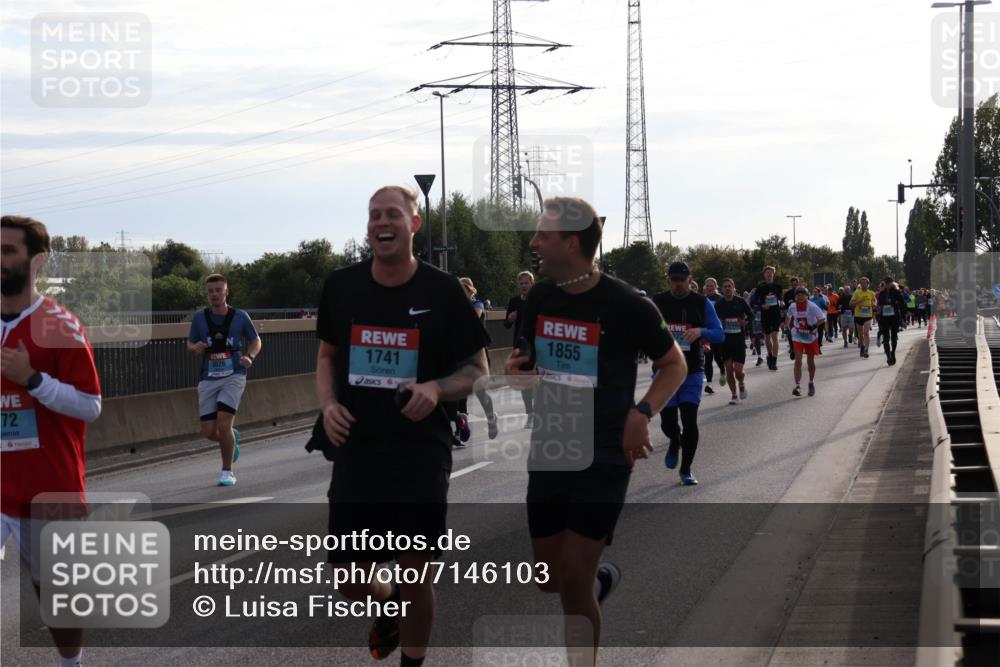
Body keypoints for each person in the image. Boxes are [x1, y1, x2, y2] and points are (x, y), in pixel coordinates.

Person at [504, 197, 686, 667]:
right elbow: (526, 361)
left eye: (543, 234)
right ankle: (597, 583)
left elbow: (674, 364)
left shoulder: (628, 304)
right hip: (550, 445)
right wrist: (517, 372)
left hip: (604, 452)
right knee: (549, 578)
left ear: (570, 241)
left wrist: (641, 412)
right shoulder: (540, 297)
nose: (534, 242)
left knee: (573, 579)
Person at [315, 186, 489, 665]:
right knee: (350, 578)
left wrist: (435, 388)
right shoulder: (341, 286)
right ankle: (389, 609)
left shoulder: (443, 291)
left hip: (420, 449)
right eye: (373, 215)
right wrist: (328, 404)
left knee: (416, 575)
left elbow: (478, 371)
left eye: (392, 213)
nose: (381, 222)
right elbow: (327, 357)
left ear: (414, 224)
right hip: (357, 445)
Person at [1, 215, 102, 667]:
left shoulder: (61, 326)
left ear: (37, 261)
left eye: (8, 251)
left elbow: (90, 405)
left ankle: (71, 662)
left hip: (49, 487)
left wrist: (32, 379)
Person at [652, 261, 724, 485]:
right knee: (668, 424)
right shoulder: (658, 302)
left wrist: (700, 331)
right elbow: (642, 331)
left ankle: (686, 469)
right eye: (674, 280)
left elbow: (719, 334)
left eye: (682, 280)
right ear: (668, 281)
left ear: (690, 280)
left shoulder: (702, 303)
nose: (678, 285)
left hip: (691, 370)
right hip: (664, 372)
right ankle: (675, 441)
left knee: (690, 421)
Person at [187, 273, 261, 487]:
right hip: (208, 377)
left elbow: (256, 340)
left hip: (234, 374)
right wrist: (196, 347)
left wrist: (250, 356)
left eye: (219, 290)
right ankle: (231, 438)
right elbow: (190, 345)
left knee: (224, 421)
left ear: (226, 291)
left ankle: (227, 471)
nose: (215, 294)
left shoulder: (240, 316)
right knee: (209, 431)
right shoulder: (200, 318)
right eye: (211, 291)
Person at [455, 277, 499, 441]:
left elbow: (473, 319)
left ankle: (491, 419)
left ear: (470, 290)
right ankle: (461, 428)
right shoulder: (455, 308)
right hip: (459, 353)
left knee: (479, 391)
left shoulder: (477, 304)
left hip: (476, 354)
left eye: (463, 290)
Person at [714, 278, 754, 404]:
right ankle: (734, 395)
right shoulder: (719, 304)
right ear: (722, 289)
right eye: (725, 286)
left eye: (729, 286)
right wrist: (719, 322)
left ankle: (741, 383)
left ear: (733, 288)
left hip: (738, 340)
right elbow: (713, 320)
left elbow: (751, 315)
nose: (727, 288)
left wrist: (745, 322)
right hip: (725, 341)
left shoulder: (740, 301)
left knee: (738, 371)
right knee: (729, 370)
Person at [505, 270, 536, 421]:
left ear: (532, 283)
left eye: (526, 283)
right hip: (521, 346)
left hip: (537, 345)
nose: (524, 286)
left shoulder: (537, 301)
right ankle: (530, 413)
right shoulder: (514, 301)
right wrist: (510, 319)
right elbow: (506, 325)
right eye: (521, 283)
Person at [785, 286, 826, 397]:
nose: (800, 297)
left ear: (807, 296)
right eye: (798, 295)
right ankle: (797, 386)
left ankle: (811, 382)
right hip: (798, 335)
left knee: (810, 361)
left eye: (803, 294)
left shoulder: (812, 306)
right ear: (795, 297)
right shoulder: (792, 306)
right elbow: (788, 317)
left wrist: (813, 326)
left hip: (810, 337)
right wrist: (787, 327)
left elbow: (822, 319)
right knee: (798, 359)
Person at [753, 266, 783, 371]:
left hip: (775, 313)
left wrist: (782, 302)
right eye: (767, 273)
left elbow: (780, 298)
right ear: (764, 275)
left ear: (773, 274)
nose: (769, 274)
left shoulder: (778, 286)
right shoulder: (760, 287)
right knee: (767, 337)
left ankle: (774, 360)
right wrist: (762, 305)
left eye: (771, 273)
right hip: (765, 314)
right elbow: (754, 301)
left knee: (775, 336)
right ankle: (770, 355)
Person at [700, 278, 727, 394]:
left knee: (718, 358)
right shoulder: (702, 300)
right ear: (704, 287)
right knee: (708, 359)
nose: (710, 287)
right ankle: (709, 384)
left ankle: (722, 371)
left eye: (712, 285)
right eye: (708, 285)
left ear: (716, 286)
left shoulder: (720, 299)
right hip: (707, 333)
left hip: (718, 332)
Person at [877, 278, 907, 366]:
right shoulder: (882, 293)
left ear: (892, 283)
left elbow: (903, 304)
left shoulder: (897, 292)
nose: (887, 285)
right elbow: (879, 303)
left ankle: (893, 352)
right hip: (884, 318)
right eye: (885, 283)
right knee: (886, 338)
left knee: (894, 337)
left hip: (894, 317)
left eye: (889, 283)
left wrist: (903, 318)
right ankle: (888, 356)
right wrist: (882, 305)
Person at [850, 276, 876, 359]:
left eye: (865, 283)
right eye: (861, 283)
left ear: (868, 284)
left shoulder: (871, 293)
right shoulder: (857, 293)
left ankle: (866, 350)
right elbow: (851, 303)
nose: (863, 285)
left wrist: (874, 305)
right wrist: (859, 301)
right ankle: (862, 347)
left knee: (866, 332)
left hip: (868, 316)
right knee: (861, 335)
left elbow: (875, 303)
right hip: (858, 315)